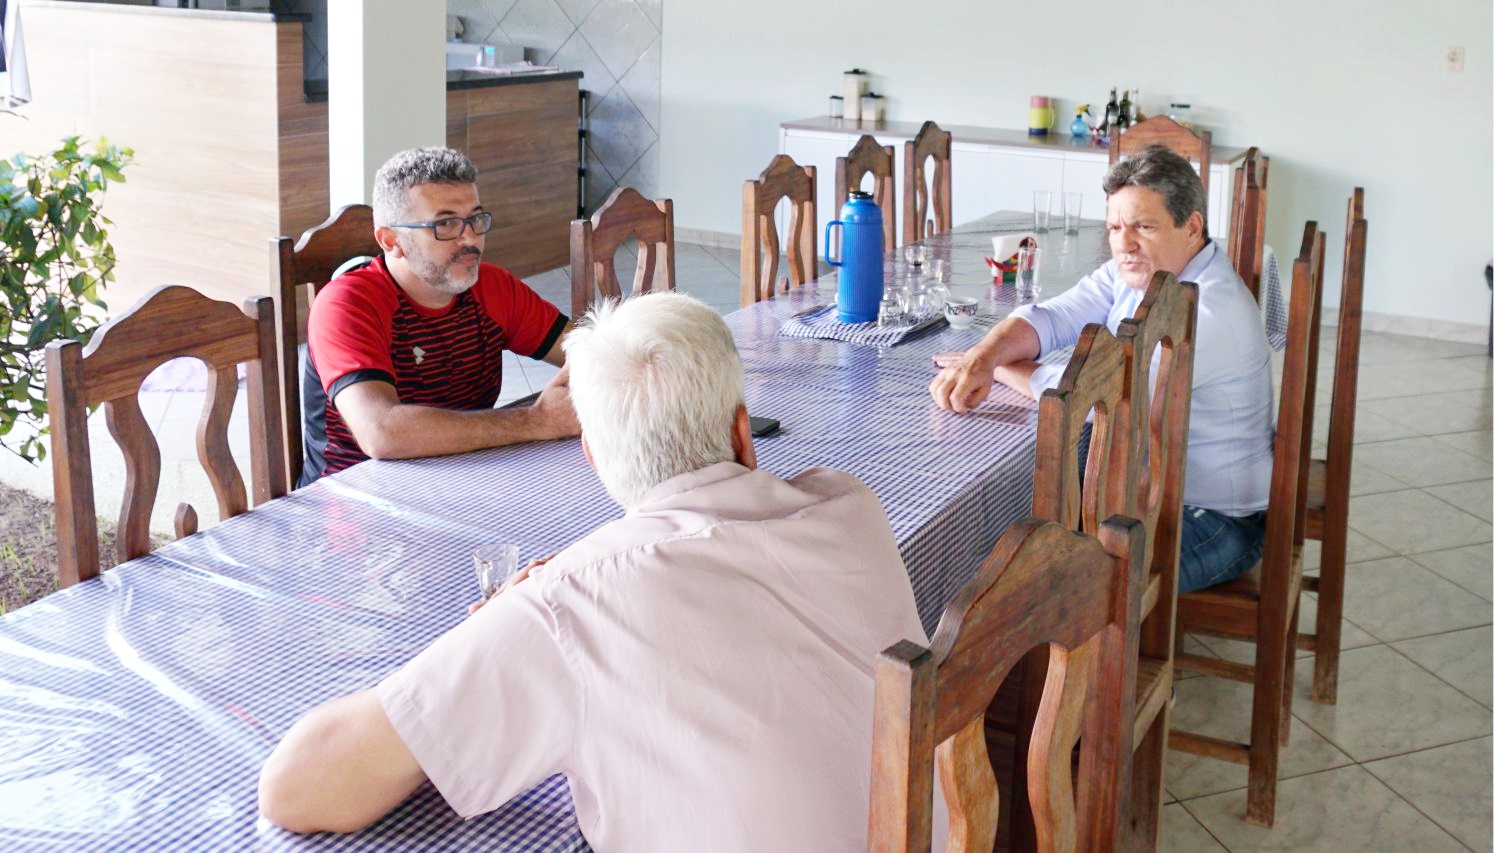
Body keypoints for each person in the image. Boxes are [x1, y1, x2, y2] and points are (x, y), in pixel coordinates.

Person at [259, 292, 936, 850]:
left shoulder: (569, 604)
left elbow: (296, 786)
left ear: (591, 455)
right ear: (741, 433)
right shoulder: (849, 502)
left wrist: (504, 623)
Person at [929, 145, 1274, 593]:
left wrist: (1001, 369)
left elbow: (1105, 401)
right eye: (1114, 227)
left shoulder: (1210, 311)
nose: (1124, 243)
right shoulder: (1147, 270)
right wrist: (986, 353)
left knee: (1055, 590)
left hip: (1214, 520)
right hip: (1143, 494)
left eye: (1143, 227)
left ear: (1191, 227)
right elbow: (1055, 316)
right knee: (1006, 542)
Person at [299, 146, 578, 486]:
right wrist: (537, 421)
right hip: (352, 499)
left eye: (475, 219)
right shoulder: (346, 304)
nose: (470, 238)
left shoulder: (493, 286)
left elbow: (589, 352)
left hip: (467, 477)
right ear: (391, 241)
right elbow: (381, 431)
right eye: (445, 224)